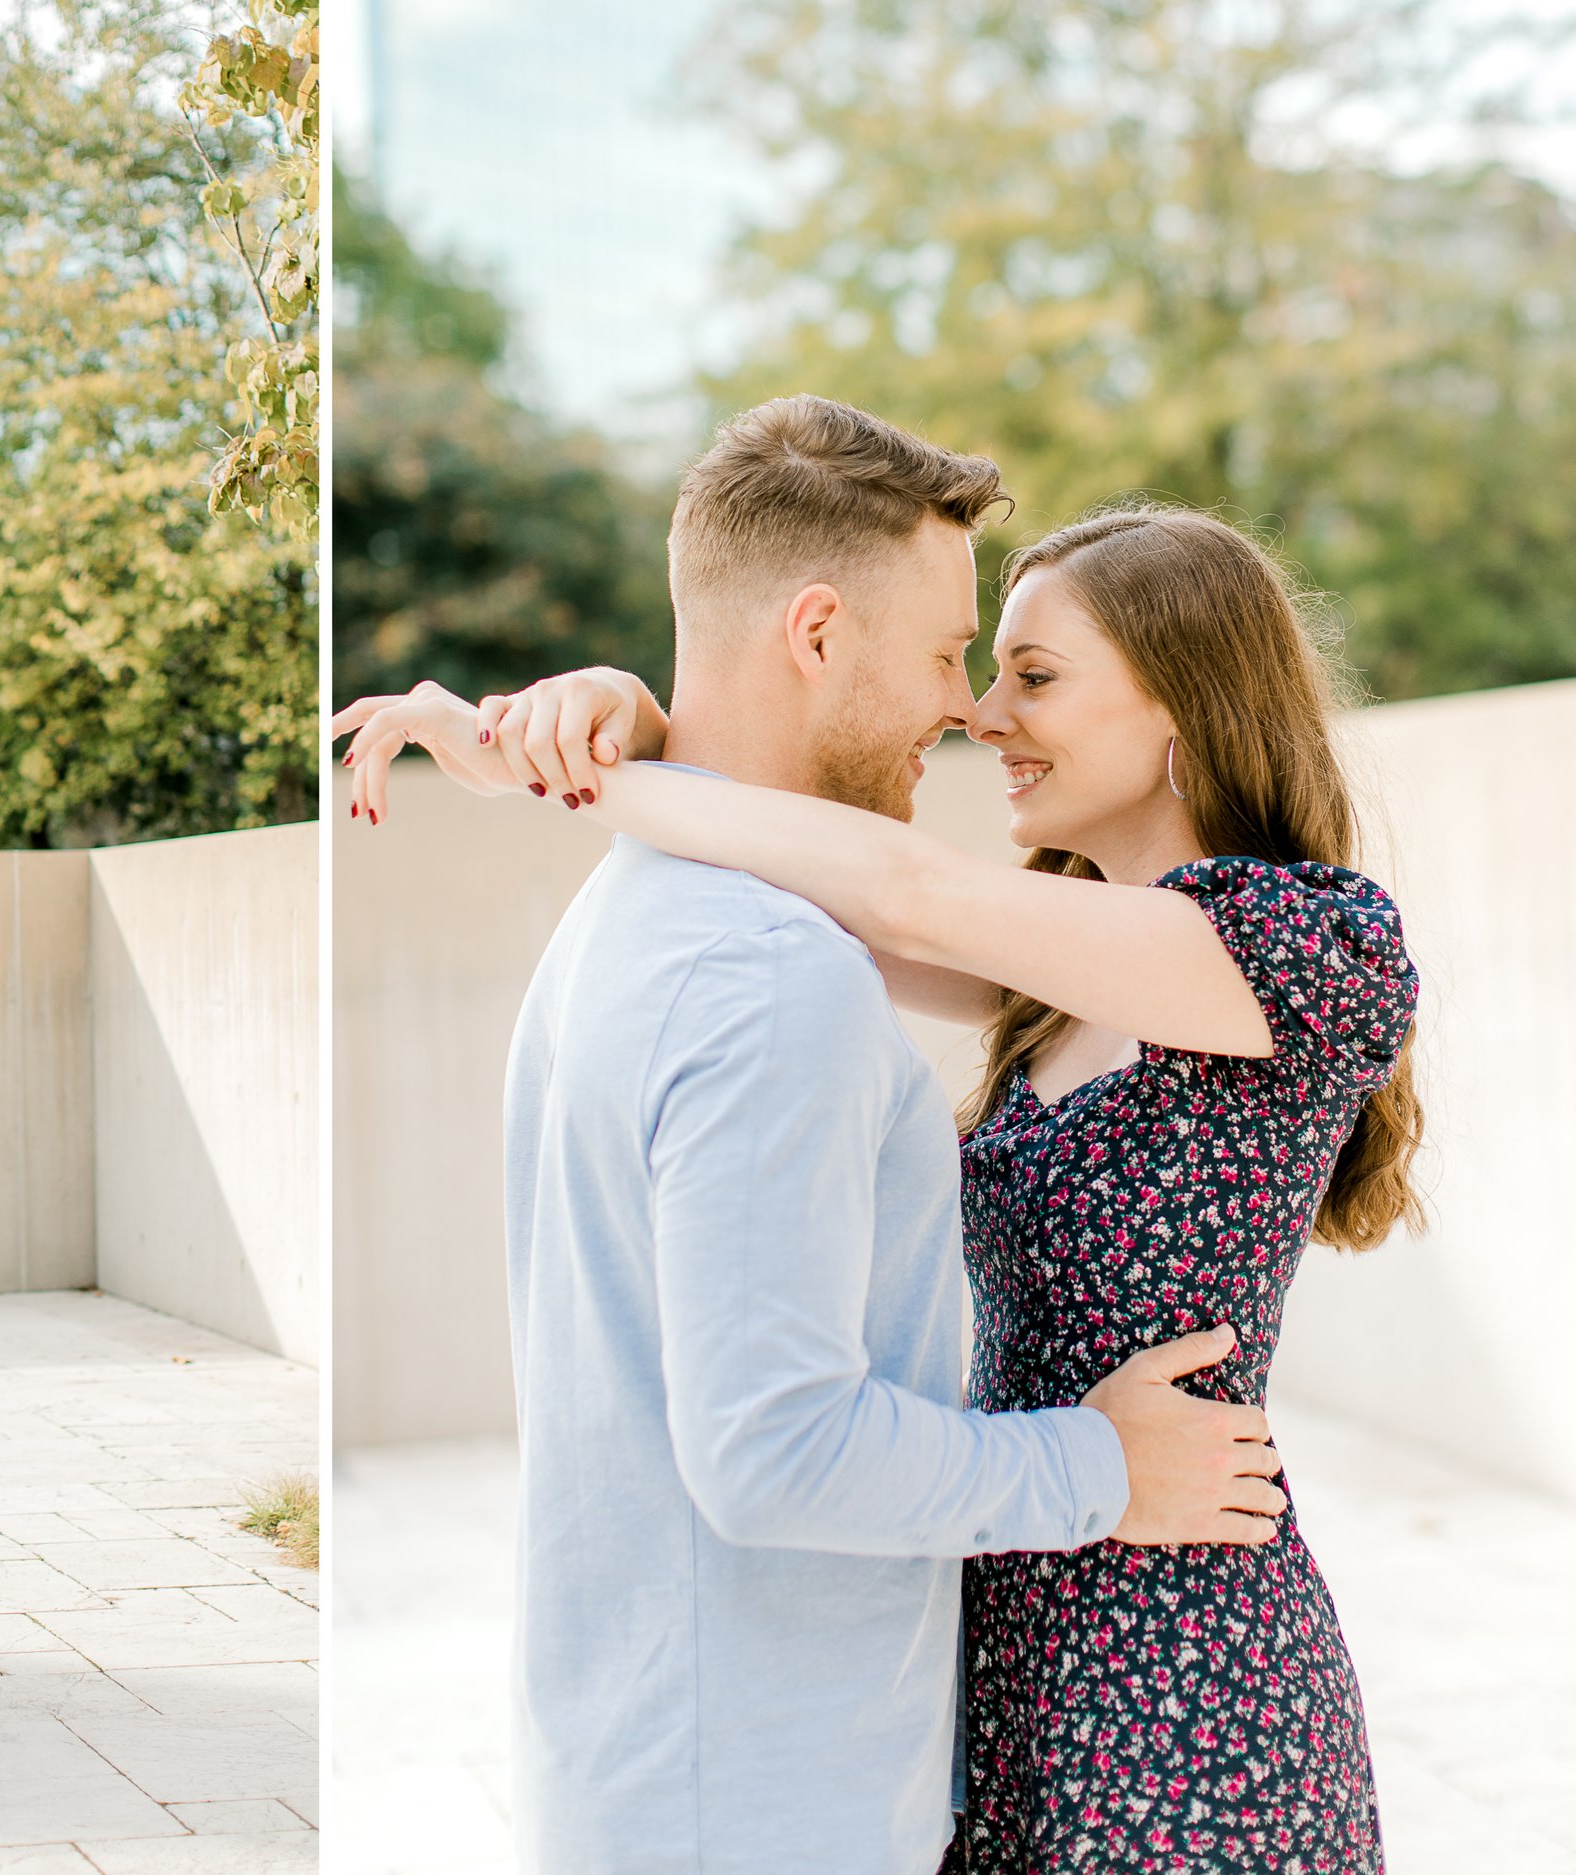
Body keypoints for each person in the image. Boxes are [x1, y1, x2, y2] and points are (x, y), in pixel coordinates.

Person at [339, 401, 1422, 1873]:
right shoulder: (1059, 973)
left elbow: (892, 888)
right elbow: (815, 876)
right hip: (1007, 1619)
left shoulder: (1306, 943)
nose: (982, 710)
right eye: (977, 662)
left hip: (1178, 1650)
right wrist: (630, 717)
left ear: (1176, 705)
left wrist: (585, 761)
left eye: (1032, 674)